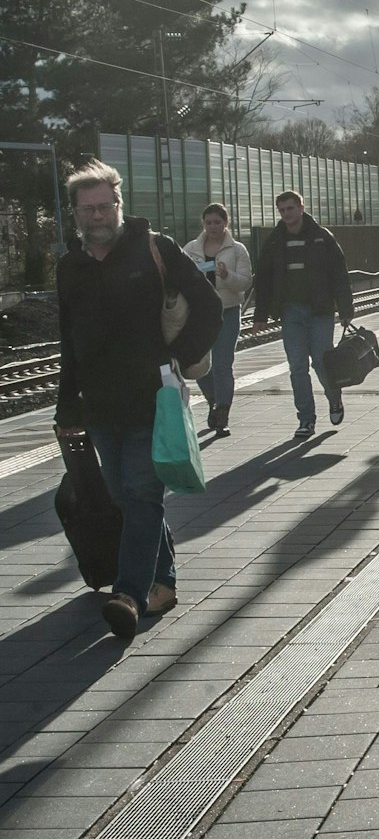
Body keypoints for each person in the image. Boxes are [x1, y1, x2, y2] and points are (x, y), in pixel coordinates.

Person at [55, 159, 221, 639]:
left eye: (105, 206)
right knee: (125, 496)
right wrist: (66, 404)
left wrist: (177, 357)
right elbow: (69, 340)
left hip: (153, 399)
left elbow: (209, 306)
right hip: (99, 404)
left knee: (143, 492)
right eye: (88, 209)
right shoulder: (70, 266)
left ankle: (128, 594)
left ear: (119, 205)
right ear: (76, 213)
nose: (97, 216)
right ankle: (163, 582)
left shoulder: (155, 248)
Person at [253, 190, 354, 439]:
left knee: (321, 360)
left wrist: (345, 309)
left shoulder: (322, 237)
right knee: (297, 366)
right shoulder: (275, 241)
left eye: (290, 208)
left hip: (320, 310)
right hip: (291, 312)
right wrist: (260, 315)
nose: (286, 214)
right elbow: (264, 279)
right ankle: (306, 419)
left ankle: (334, 398)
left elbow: (339, 274)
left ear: (301, 208)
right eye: (282, 210)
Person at [182, 203, 253, 435]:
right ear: (203, 224)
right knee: (197, 363)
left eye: (217, 222)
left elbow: (245, 282)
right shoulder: (190, 249)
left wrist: (226, 275)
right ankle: (213, 399)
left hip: (227, 312)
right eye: (208, 222)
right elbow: (179, 279)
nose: (213, 227)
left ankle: (222, 413)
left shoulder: (237, 250)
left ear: (226, 223)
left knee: (222, 364)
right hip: (199, 314)